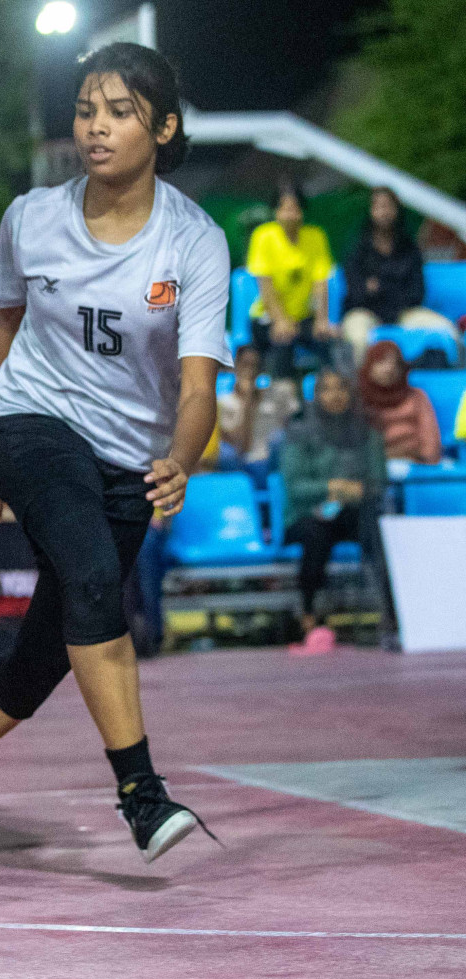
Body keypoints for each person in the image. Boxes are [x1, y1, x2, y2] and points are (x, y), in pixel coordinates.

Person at [0, 43, 228, 866]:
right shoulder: (31, 217)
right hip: (34, 418)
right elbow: (4, 329)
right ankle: (141, 793)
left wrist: (180, 456)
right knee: (97, 582)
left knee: (44, 654)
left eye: (118, 113)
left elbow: (199, 386)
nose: (94, 128)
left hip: (133, 457)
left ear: (164, 127)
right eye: (85, 109)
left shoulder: (196, 243)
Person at [279, 368, 391, 655]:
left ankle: (390, 614)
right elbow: (293, 487)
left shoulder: (366, 430)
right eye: (326, 389)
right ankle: (308, 615)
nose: (335, 395)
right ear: (316, 395)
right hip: (306, 514)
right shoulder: (300, 430)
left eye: (341, 388)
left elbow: (379, 481)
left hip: (353, 511)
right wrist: (332, 487)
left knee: (376, 528)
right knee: (316, 533)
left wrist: (360, 490)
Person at [340, 186, 461, 366]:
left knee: (448, 330)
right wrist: (389, 286)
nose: (383, 212)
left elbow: (416, 292)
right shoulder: (358, 250)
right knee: (358, 338)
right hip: (364, 312)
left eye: (388, 206)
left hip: (404, 313)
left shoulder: (409, 249)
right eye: (378, 206)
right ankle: (359, 389)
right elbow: (356, 292)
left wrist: (379, 287)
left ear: (397, 210)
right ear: (371, 210)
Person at [246, 182, 341, 380]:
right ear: (276, 210)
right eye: (285, 208)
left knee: (329, 342)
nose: (290, 214)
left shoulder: (316, 236)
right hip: (268, 317)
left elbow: (320, 283)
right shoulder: (263, 236)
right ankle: (284, 398)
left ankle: (330, 393)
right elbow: (265, 285)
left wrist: (322, 320)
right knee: (283, 341)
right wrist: (280, 321)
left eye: (295, 208)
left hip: (303, 317)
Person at [216, 345, 300, 489]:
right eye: (245, 365)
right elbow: (241, 445)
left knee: (280, 439)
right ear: (236, 366)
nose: (250, 371)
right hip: (241, 463)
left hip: (273, 463)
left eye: (255, 365)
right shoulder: (224, 402)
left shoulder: (274, 396)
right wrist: (248, 404)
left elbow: (293, 422)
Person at [356, 340, 442, 465]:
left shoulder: (416, 397)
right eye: (381, 362)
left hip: (414, 464)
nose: (389, 369)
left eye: (395, 364)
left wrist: (424, 459)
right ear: (369, 366)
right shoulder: (358, 399)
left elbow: (431, 442)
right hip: (369, 466)